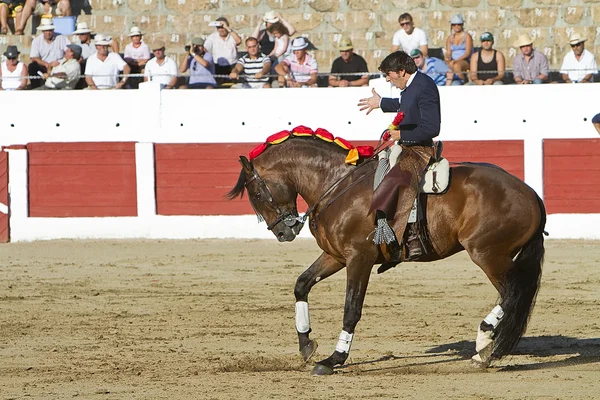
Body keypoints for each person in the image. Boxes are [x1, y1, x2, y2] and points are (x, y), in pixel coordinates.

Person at [357, 50, 440, 262]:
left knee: (399, 179)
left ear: (402, 71)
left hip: (420, 149)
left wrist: (402, 134)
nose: (388, 79)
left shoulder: (425, 86)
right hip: (407, 145)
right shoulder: (412, 85)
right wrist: (382, 103)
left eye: (389, 74)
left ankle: (413, 236)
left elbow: (432, 128)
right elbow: (406, 106)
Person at [28, 18, 70, 88]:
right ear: (43, 31)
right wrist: (45, 64)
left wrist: (62, 61)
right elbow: (34, 57)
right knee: (32, 66)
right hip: (44, 65)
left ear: (53, 30)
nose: (48, 33)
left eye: (50, 30)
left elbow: (69, 50)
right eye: (46, 31)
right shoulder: (37, 41)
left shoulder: (61, 37)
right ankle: (35, 87)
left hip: (58, 65)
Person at [203, 16, 241, 85]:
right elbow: (205, 49)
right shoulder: (212, 37)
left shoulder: (232, 35)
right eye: (218, 27)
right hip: (218, 67)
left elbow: (238, 41)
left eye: (222, 27)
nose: (221, 29)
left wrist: (227, 27)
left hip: (232, 66)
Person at [444, 14, 472, 83]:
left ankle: (462, 81)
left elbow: (467, 53)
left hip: (465, 60)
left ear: (462, 25)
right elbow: (449, 52)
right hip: (453, 60)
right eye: (454, 25)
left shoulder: (467, 36)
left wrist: (456, 60)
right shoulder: (450, 38)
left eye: (459, 24)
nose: (456, 26)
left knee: (456, 66)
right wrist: (447, 58)